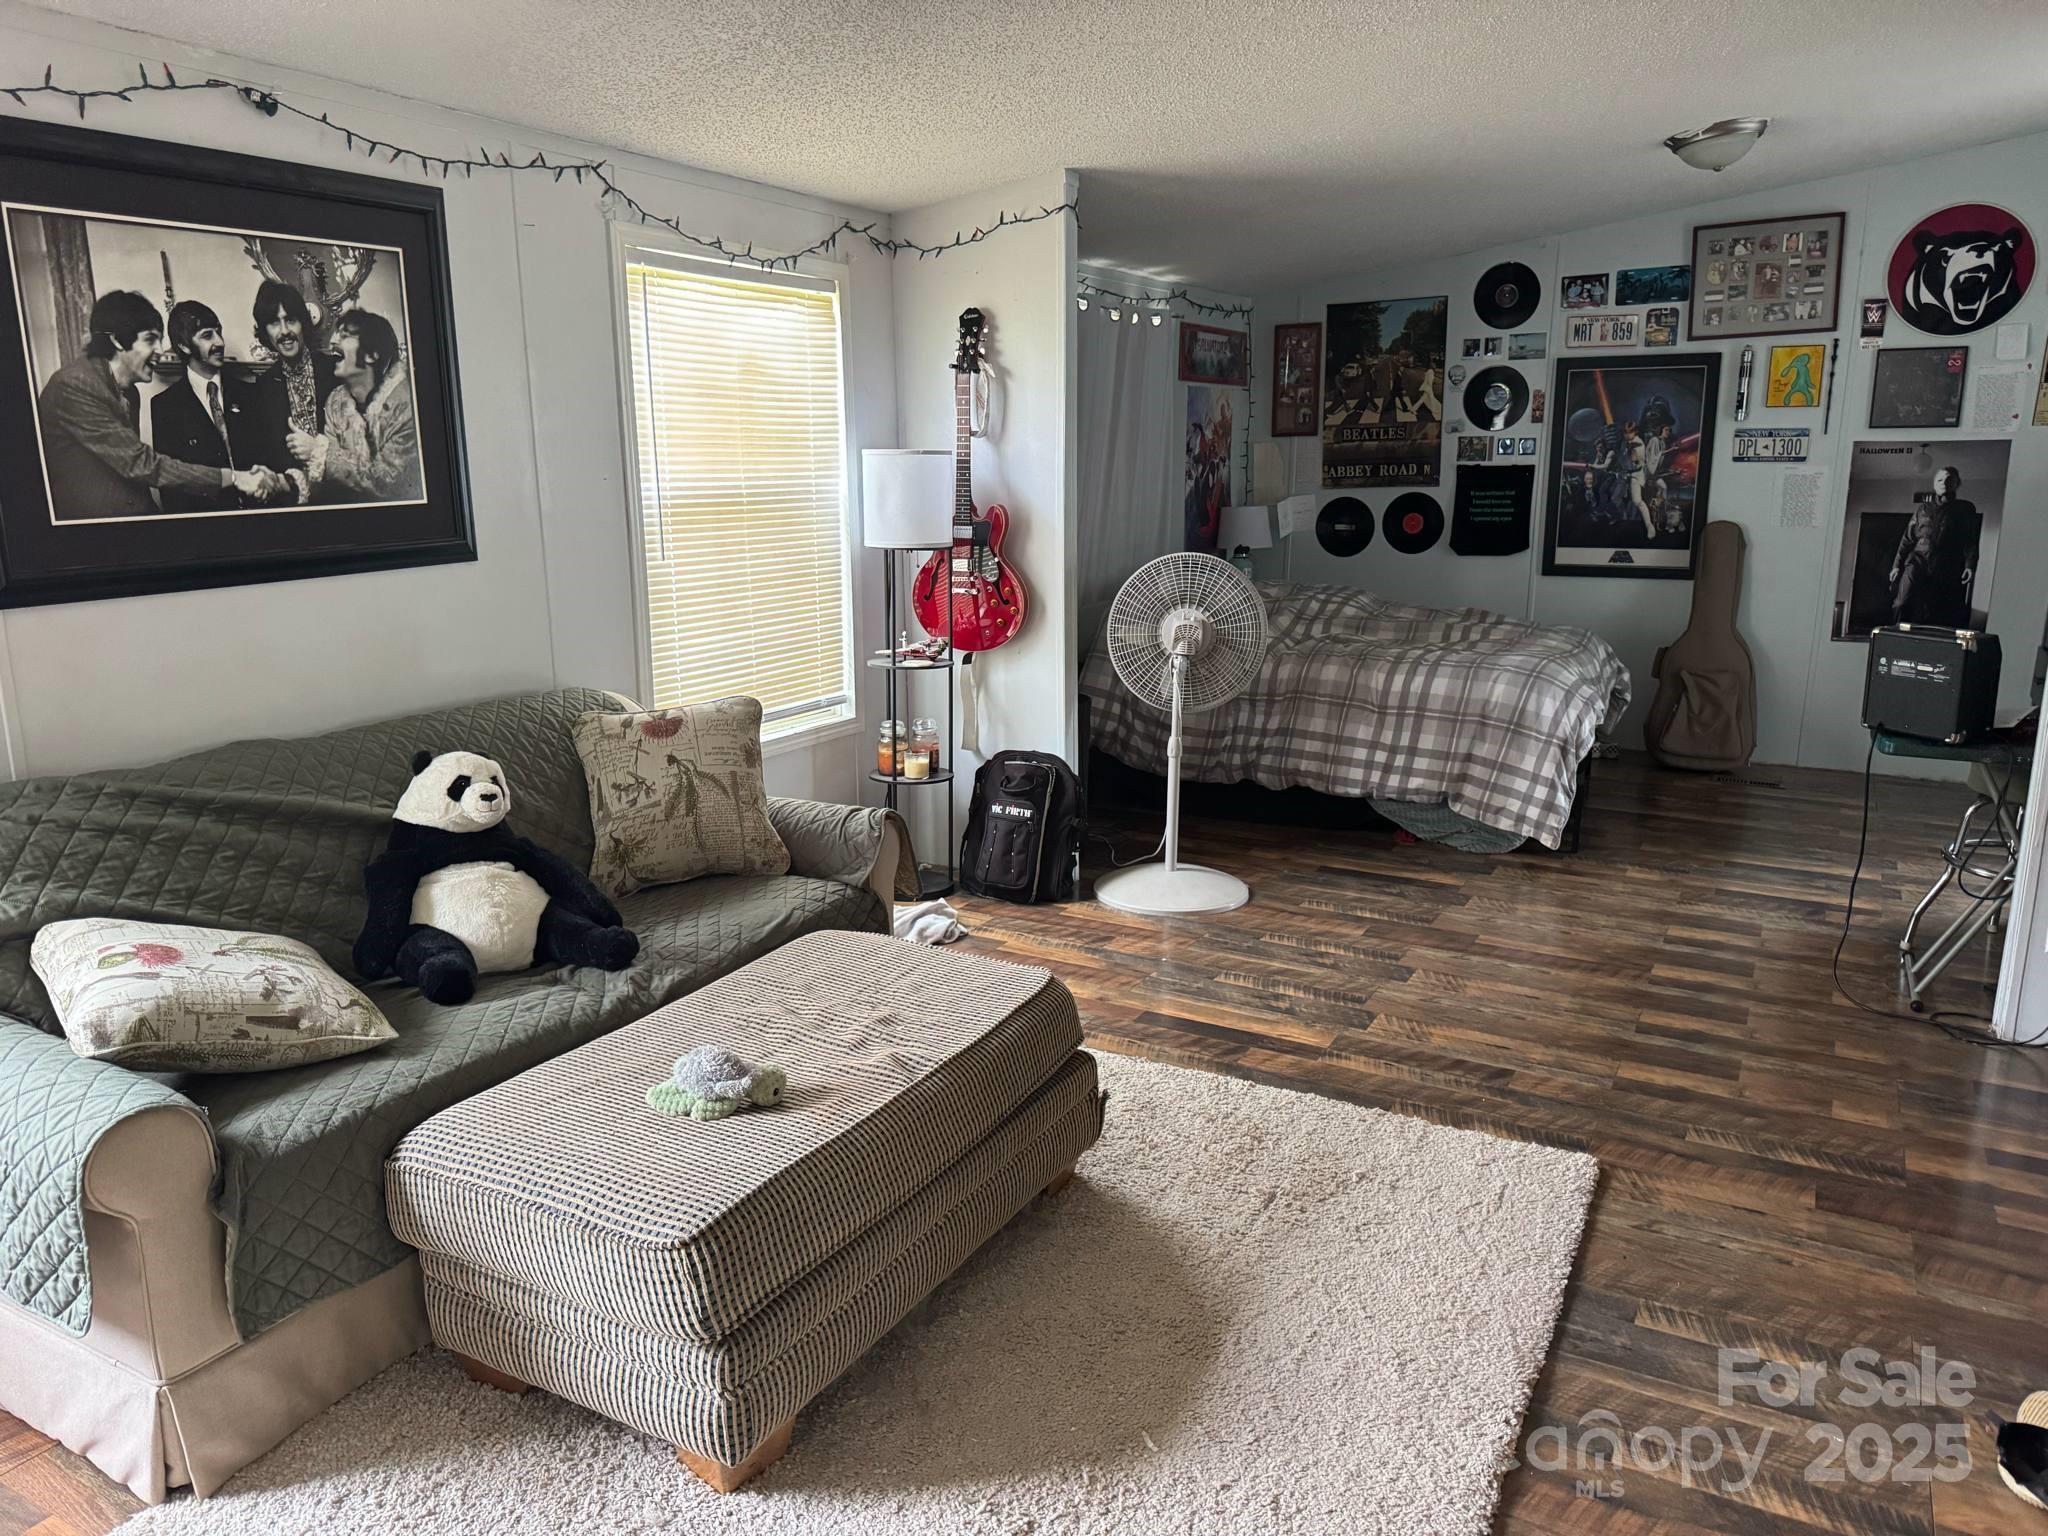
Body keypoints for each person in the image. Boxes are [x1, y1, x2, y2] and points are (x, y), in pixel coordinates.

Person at [35, 290, 275, 520]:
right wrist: (233, 478)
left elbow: (134, 478)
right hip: (94, 537)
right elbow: (141, 464)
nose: (160, 350)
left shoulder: (131, 391)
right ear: (117, 340)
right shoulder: (75, 384)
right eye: (150, 340)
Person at [149, 300, 288, 513]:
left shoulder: (252, 394)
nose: (220, 342)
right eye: (207, 335)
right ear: (184, 346)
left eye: (218, 332)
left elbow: (272, 462)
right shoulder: (165, 407)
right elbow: (172, 488)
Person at [290, 309, 423, 503]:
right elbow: (335, 484)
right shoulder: (336, 401)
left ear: (371, 354)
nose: (333, 340)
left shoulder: (408, 407)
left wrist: (319, 452)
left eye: (344, 335)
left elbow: (386, 483)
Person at [242, 279, 338, 503]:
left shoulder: (335, 371)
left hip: (343, 493)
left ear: (303, 323)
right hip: (294, 502)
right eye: (274, 323)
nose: (284, 332)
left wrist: (316, 450)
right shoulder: (263, 387)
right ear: (265, 331)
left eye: (291, 320)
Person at [1888, 466, 1981, 627]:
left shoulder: (1965, 509)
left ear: (1957, 483)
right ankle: (1895, 635)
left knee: (1934, 610)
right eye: (1939, 479)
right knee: (1901, 603)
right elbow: (1907, 539)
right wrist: (1896, 565)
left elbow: (1970, 540)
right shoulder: (1922, 509)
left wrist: (1970, 565)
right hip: (1917, 561)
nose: (1944, 482)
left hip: (1945, 565)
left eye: (1949, 479)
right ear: (1934, 484)